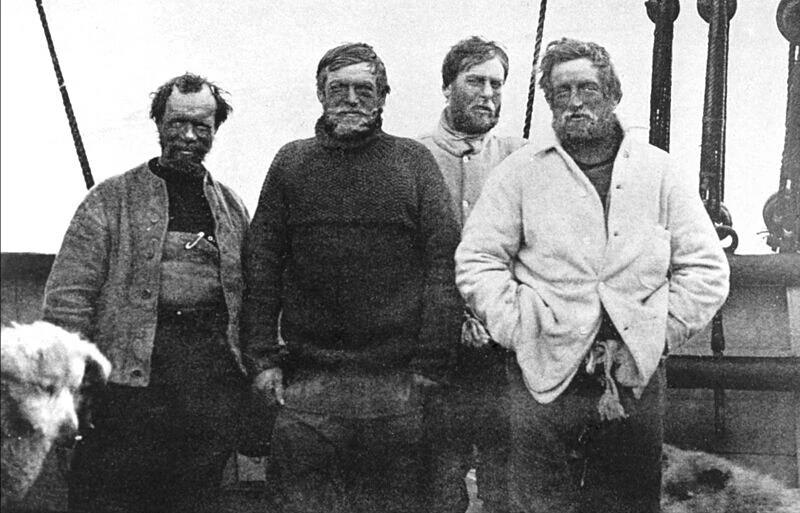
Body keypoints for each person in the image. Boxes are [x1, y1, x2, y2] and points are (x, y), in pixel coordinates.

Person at [455, 38, 730, 513]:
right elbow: (478, 259)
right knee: (540, 502)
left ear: (613, 94)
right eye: (562, 92)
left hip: (633, 373)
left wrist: (658, 333)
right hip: (540, 372)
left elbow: (706, 269)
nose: (575, 102)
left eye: (587, 88)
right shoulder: (519, 173)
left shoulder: (660, 172)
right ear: (550, 101)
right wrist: (519, 328)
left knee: (627, 502)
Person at [241, 43, 462, 513]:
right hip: (308, 388)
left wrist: (430, 366)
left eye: (364, 89)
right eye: (338, 88)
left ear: (382, 96)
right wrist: (262, 361)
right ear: (320, 94)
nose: (351, 99)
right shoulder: (291, 164)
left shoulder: (413, 163)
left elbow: (444, 268)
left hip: (395, 389)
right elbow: (262, 267)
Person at [43, 73, 249, 513]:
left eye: (202, 126)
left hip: (205, 399)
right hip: (123, 401)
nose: (189, 136)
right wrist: (69, 389)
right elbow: (67, 302)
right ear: (158, 123)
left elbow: (246, 303)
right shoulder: (109, 200)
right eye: (177, 123)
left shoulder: (232, 209)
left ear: (216, 129)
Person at [418, 36, 526, 513]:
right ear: (447, 87)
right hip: (435, 352)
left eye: (496, 84)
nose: (487, 94)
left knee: (508, 481)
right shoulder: (412, 157)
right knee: (438, 481)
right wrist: (452, 316)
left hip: (505, 351)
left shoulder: (522, 157)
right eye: (475, 81)